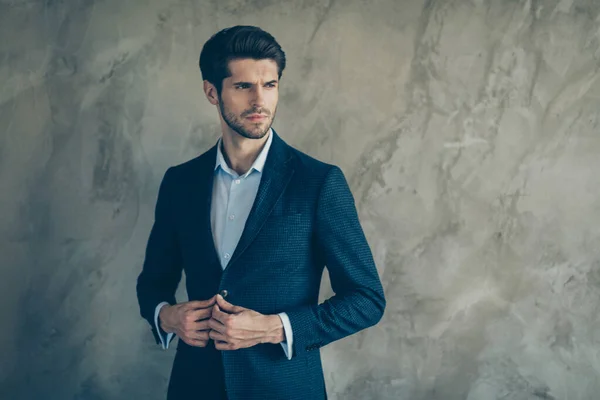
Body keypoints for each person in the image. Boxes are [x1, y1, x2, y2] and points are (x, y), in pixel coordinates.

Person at [136, 25, 386, 400]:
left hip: (284, 389)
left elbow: (366, 298)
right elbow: (153, 283)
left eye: (269, 85)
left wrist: (275, 328)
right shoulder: (181, 183)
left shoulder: (318, 183)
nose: (260, 100)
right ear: (211, 92)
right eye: (243, 87)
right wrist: (167, 317)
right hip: (194, 387)